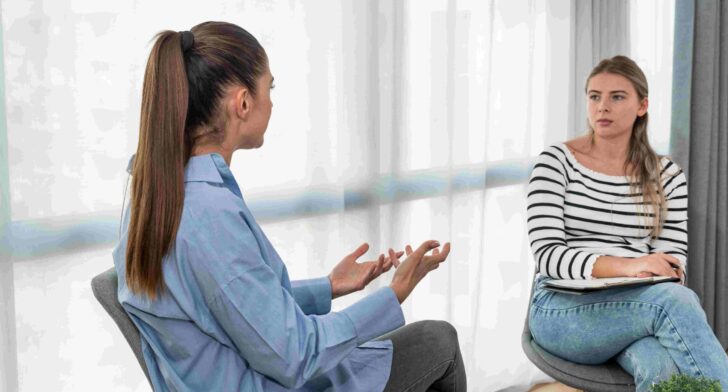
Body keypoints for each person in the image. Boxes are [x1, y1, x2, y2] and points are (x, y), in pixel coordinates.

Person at [113, 21, 466, 392]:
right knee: (438, 342)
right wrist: (394, 292)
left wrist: (328, 287)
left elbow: (230, 307)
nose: (272, 100)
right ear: (243, 103)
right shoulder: (207, 215)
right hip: (274, 382)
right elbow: (296, 356)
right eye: (270, 87)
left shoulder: (157, 191)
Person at [525, 55, 728, 391]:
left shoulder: (667, 175)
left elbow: (672, 262)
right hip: (562, 311)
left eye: (617, 96)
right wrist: (630, 265)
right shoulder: (556, 162)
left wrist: (644, 273)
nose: (602, 107)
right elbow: (548, 256)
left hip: (637, 305)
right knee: (676, 302)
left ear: (642, 106)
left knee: (661, 368)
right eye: (594, 96)